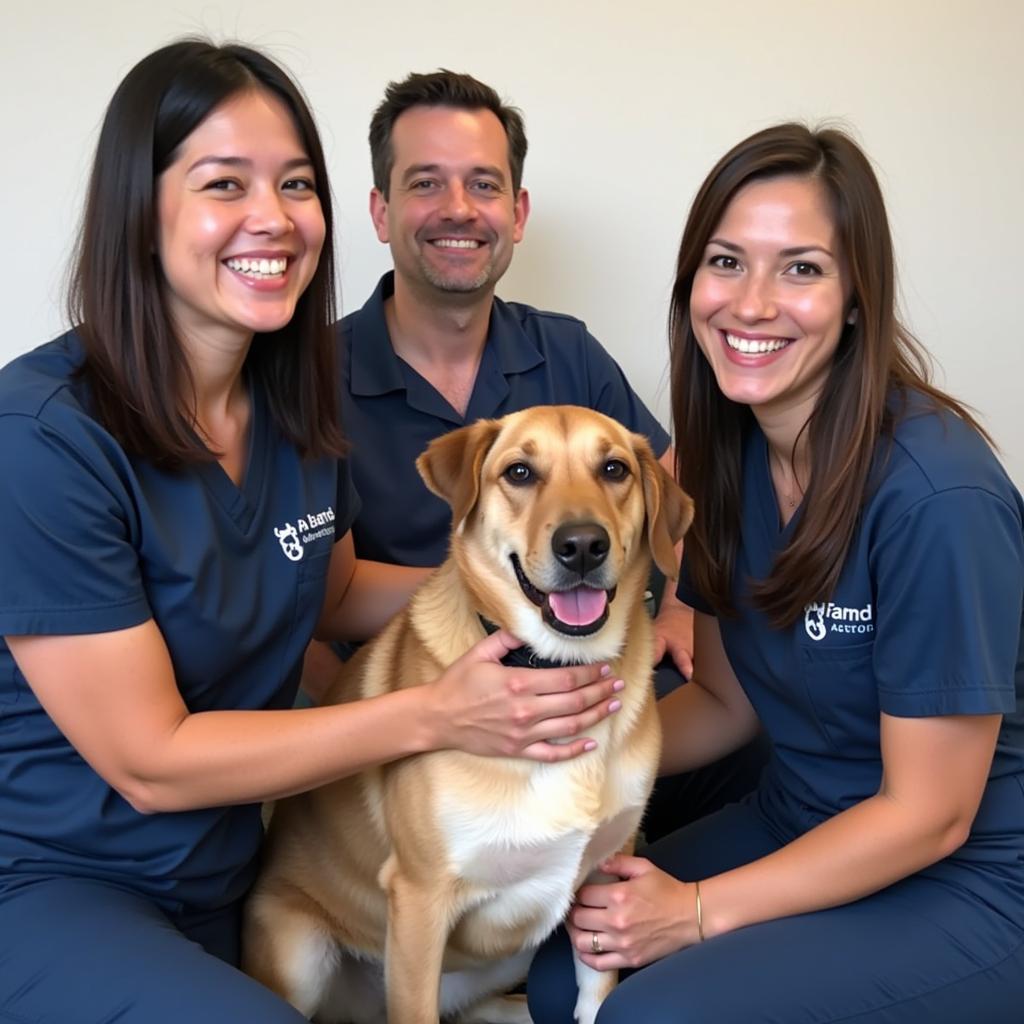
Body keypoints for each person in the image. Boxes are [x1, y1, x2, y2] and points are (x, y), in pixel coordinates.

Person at [0, 40, 628, 1024]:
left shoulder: (294, 408)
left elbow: (330, 593)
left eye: (295, 183)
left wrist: (527, 591)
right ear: (139, 211)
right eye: (224, 183)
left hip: (230, 871)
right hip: (58, 883)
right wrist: (436, 713)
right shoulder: (41, 438)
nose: (274, 217)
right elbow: (148, 760)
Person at [527, 123, 1024, 1022]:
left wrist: (698, 913)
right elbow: (726, 701)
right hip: (804, 814)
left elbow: (931, 815)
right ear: (692, 285)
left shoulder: (936, 495)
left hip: (975, 873)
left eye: (800, 268)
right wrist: (564, 757)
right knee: (566, 975)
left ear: (856, 298)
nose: (752, 304)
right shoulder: (725, 456)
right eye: (727, 262)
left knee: (653, 1012)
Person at [302, 69, 770, 834]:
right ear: (381, 211)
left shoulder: (566, 351)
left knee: (759, 760)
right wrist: (369, 723)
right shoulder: (313, 382)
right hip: (427, 712)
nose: (459, 209)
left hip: (600, 682)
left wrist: (684, 605)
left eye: (484, 185)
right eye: (427, 183)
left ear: (516, 214)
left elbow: (664, 481)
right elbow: (310, 604)